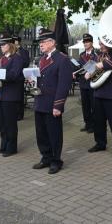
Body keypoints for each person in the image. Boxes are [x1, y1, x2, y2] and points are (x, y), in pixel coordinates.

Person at [31, 28, 72, 175]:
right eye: (40, 42)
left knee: (54, 134)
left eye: (43, 42)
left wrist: (58, 105)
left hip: (52, 103)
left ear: (52, 42)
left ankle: (56, 161)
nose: (41, 45)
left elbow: (64, 84)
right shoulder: (41, 59)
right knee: (41, 133)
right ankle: (46, 157)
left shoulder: (62, 59)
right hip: (40, 101)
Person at [86, 40, 112, 159]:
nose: (100, 46)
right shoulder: (99, 55)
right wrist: (87, 72)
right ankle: (100, 143)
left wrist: (102, 65)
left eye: (103, 44)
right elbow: (90, 67)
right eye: (100, 43)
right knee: (98, 122)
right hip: (98, 93)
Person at [0, 34, 24, 157]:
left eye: (3, 44)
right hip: (1, 94)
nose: (1, 46)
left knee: (10, 123)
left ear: (10, 45)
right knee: (2, 122)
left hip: (11, 95)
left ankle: (11, 147)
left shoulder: (17, 58)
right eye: (1, 44)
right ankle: (4, 145)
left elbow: (14, 75)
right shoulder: (2, 59)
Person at [76, 33, 97, 133]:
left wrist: (90, 72)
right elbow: (79, 68)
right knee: (85, 105)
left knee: (93, 105)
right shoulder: (81, 55)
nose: (85, 43)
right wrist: (75, 72)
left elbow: (97, 66)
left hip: (92, 82)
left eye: (87, 41)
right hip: (83, 83)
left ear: (92, 43)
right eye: (84, 42)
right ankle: (87, 123)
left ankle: (93, 125)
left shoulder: (96, 54)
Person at [13, 35, 30, 121]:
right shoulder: (12, 51)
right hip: (12, 77)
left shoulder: (24, 51)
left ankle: (20, 114)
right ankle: (14, 112)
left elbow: (26, 63)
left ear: (17, 42)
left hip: (19, 76)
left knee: (19, 96)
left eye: (14, 41)